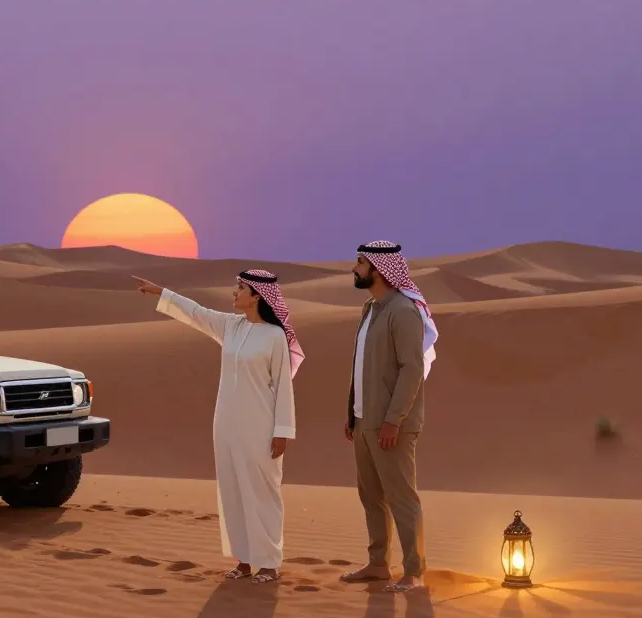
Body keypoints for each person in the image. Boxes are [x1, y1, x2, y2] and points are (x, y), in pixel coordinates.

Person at [132, 269, 304, 584]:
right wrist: (162, 292)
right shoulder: (230, 326)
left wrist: (283, 431)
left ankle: (268, 563)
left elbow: (282, 387)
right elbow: (196, 313)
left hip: (261, 425)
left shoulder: (274, 336)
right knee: (232, 489)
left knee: (262, 492)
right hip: (226, 422)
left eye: (240, 288)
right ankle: (244, 560)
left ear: (257, 296)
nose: (233, 293)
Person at [338, 240, 438, 593]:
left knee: (401, 497)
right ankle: (378, 564)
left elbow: (411, 370)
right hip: (365, 421)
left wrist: (394, 419)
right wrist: (353, 414)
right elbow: (361, 367)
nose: (354, 269)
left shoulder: (403, 311)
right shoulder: (370, 308)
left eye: (360, 263)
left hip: (392, 424)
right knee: (371, 496)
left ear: (379, 270)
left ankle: (413, 571)